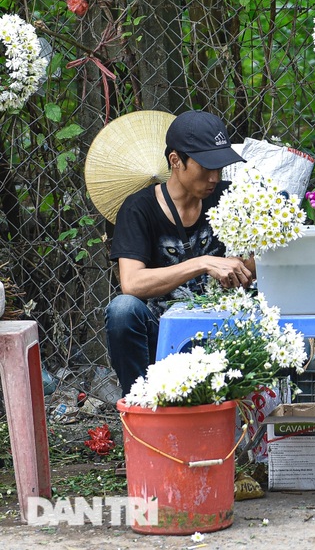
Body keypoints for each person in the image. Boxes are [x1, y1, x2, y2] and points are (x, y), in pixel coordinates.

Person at [105, 110, 250, 395]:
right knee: (122, 310)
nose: (214, 177)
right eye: (206, 167)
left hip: (224, 327)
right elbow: (132, 283)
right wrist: (202, 263)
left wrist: (241, 265)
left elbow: (265, 260)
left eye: (220, 167)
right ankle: (140, 404)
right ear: (176, 161)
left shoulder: (231, 197)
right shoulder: (138, 209)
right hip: (161, 334)